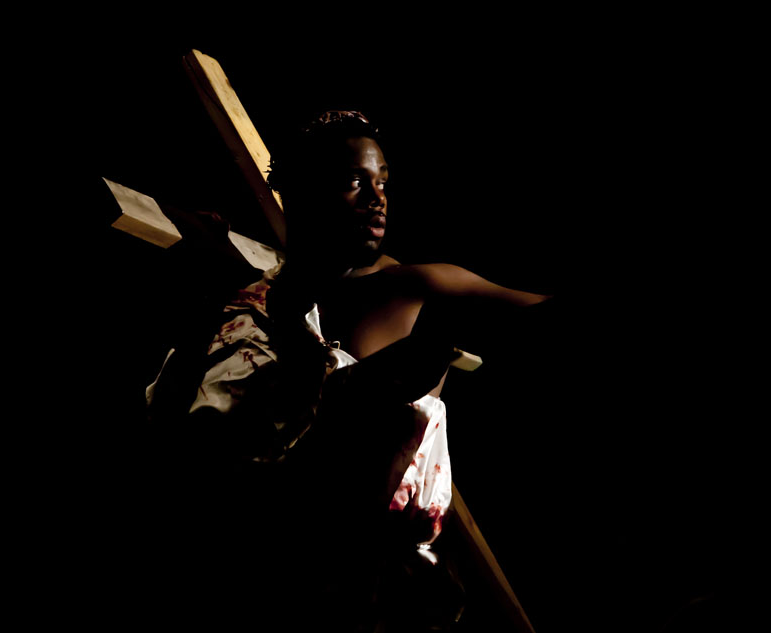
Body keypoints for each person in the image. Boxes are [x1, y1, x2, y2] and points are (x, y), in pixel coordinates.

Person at [145, 110, 553, 631]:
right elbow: (178, 442)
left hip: (379, 599)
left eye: (382, 181)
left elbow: (540, 313)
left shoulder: (411, 292)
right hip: (251, 577)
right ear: (300, 194)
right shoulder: (241, 309)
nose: (376, 197)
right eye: (352, 181)